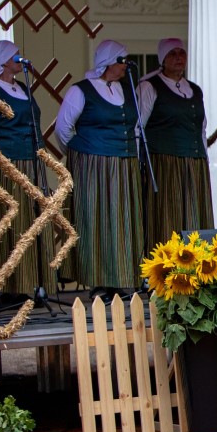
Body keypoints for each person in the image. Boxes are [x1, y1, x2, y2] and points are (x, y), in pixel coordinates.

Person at [0, 40, 53, 310]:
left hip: (30, 165)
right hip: (5, 167)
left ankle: (30, 285)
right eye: (15, 55)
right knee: (12, 225)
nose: (20, 59)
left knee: (31, 224)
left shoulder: (21, 87)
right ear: (3, 61)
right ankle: (9, 289)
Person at [56, 39, 144, 298]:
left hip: (124, 162)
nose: (125, 65)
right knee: (96, 218)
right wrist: (81, 154)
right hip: (92, 164)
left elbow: (136, 128)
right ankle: (99, 281)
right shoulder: (81, 90)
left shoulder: (127, 90)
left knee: (124, 219)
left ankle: (124, 277)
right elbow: (63, 129)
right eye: (121, 60)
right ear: (108, 63)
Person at [137, 38, 213, 251]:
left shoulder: (195, 89)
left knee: (195, 212)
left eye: (182, 53)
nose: (179, 58)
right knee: (168, 212)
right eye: (173, 54)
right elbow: (138, 127)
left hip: (195, 161)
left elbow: (202, 127)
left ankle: (198, 261)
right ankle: (166, 265)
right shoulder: (149, 87)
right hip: (165, 160)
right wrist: (139, 163)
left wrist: (203, 156)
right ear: (163, 59)